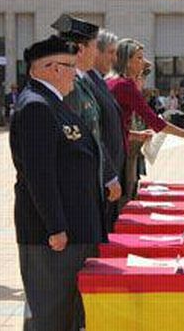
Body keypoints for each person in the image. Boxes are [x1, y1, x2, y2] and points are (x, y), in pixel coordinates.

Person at [11, 35, 102, 330]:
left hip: (73, 227)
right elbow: (39, 175)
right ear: (51, 68)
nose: (76, 73)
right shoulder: (36, 106)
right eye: (70, 66)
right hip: (53, 236)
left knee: (67, 312)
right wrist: (55, 227)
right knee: (50, 314)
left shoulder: (53, 102)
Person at [52, 14, 122, 235]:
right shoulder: (70, 87)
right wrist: (108, 176)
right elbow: (84, 137)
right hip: (79, 183)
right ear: (80, 49)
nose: (96, 52)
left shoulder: (82, 82)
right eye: (94, 46)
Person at [107, 38, 184, 200]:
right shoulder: (125, 85)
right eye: (139, 58)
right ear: (127, 62)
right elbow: (155, 122)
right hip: (115, 151)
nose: (143, 62)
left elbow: (115, 123)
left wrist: (134, 134)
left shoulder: (112, 82)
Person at [87, 29, 128, 231]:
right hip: (103, 175)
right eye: (110, 52)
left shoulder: (98, 81)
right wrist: (109, 175)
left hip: (111, 171)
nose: (114, 58)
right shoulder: (87, 82)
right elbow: (95, 133)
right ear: (96, 52)